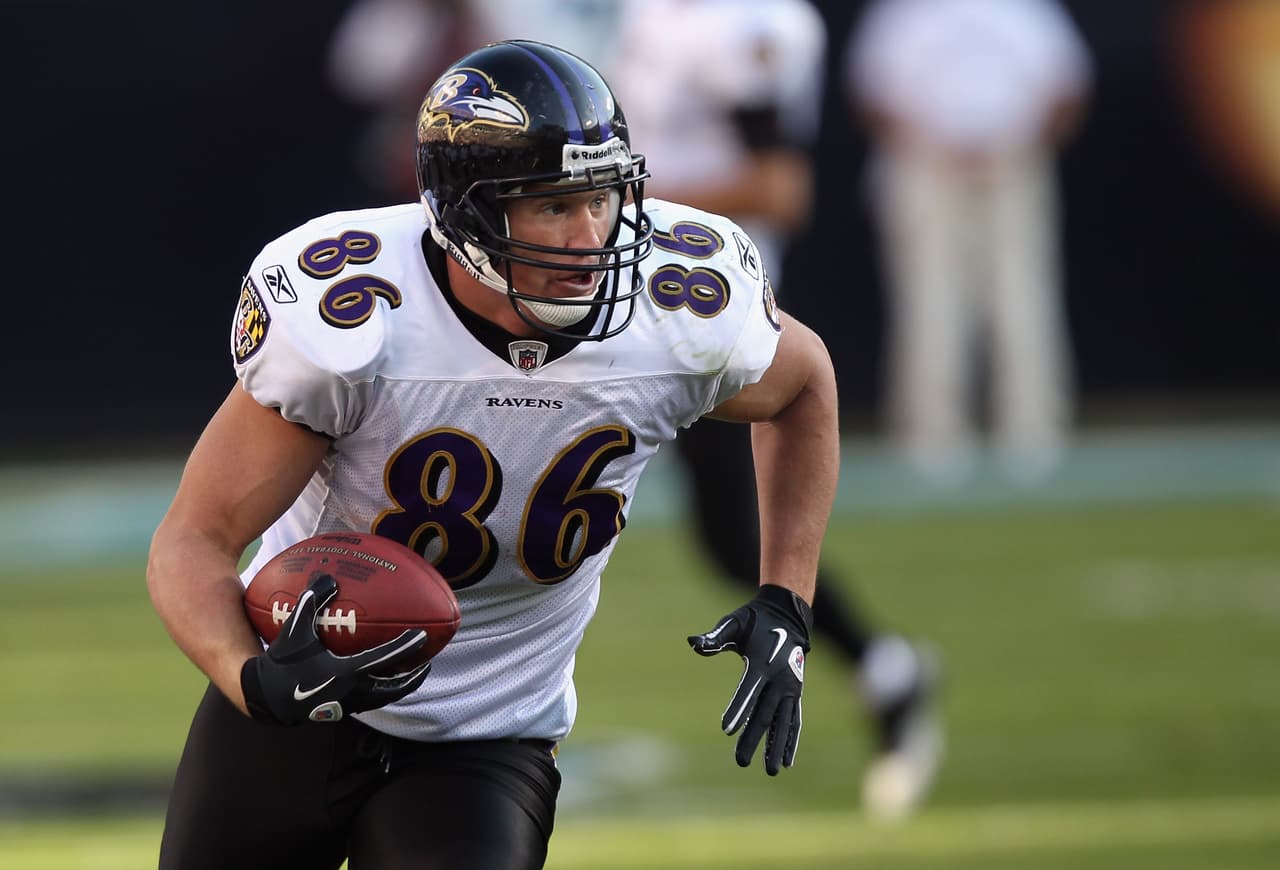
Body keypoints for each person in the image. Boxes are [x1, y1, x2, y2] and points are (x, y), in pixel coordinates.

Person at [147, 40, 837, 870]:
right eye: (552, 206)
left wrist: (787, 601)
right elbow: (193, 540)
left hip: (490, 732)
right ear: (464, 211)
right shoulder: (359, 320)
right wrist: (251, 679)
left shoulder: (672, 313)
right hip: (303, 684)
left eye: (602, 198)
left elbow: (804, 384)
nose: (589, 236)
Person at [606, 0, 943, 819]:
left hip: (707, 313)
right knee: (727, 537)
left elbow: (779, 187)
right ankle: (888, 669)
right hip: (632, 299)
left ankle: (888, 669)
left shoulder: (752, 25)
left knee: (724, 532)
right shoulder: (656, 13)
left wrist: (609, 208)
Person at [845, 0, 1093, 485]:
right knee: (930, 305)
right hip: (925, 165)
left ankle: (1032, 434)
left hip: (1011, 165)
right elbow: (870, 93)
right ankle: (931, 439)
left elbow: (1068, 88)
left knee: (1021, 300)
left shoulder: (1024, 10)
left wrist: (1021, 141)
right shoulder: (905, 13)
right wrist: (929, 141)